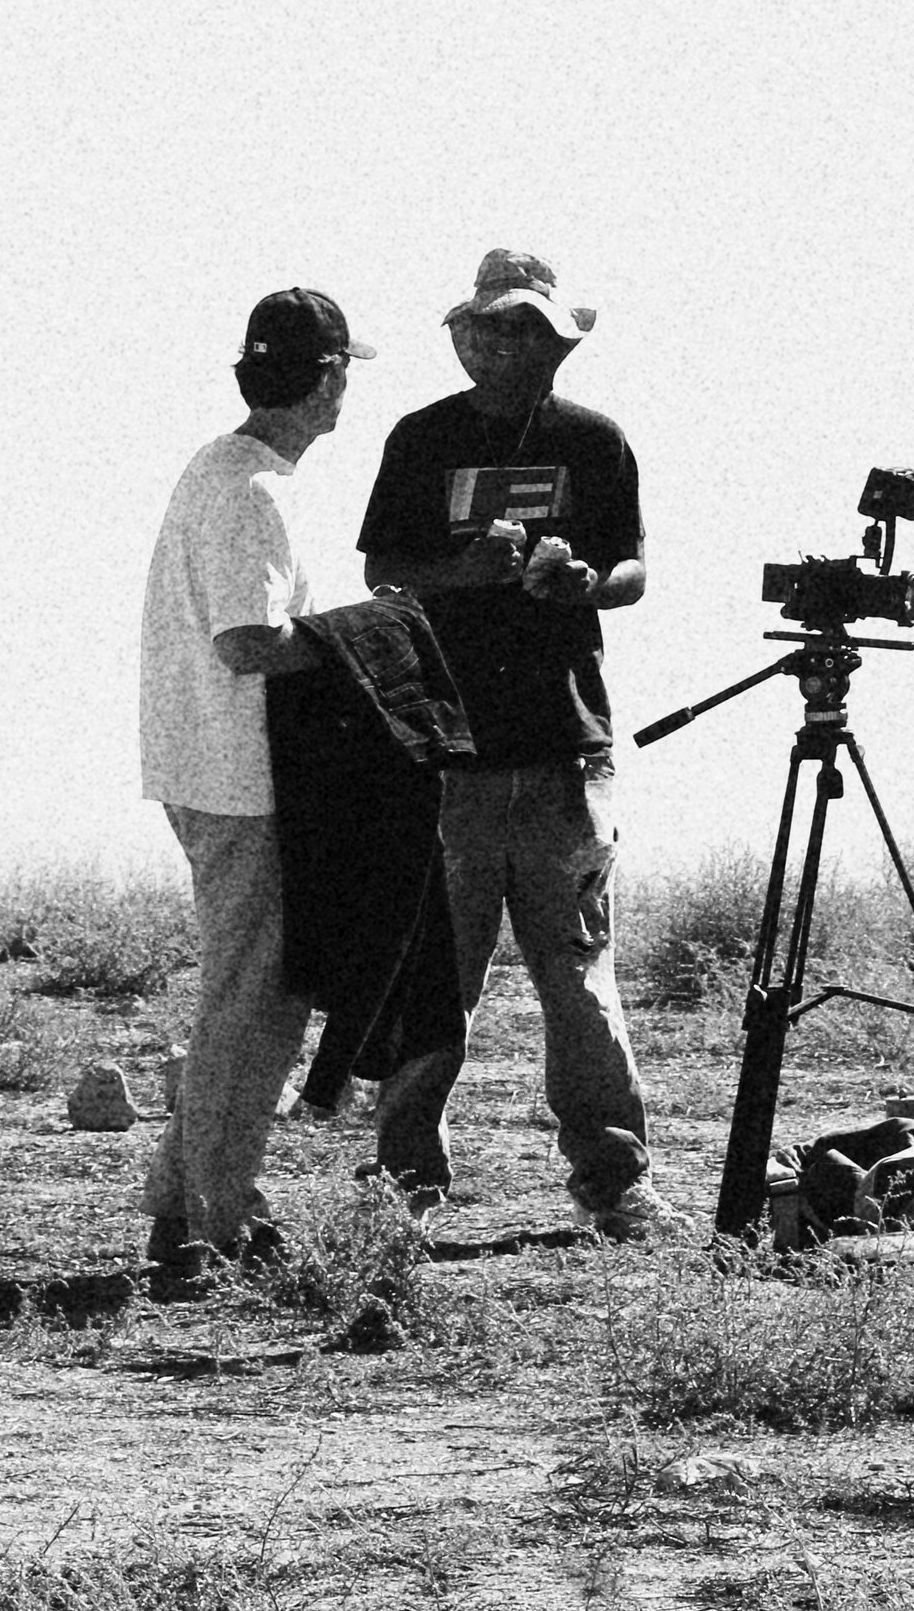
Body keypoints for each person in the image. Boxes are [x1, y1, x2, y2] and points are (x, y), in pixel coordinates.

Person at [356, 248, 676, 1235]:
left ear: (553, 343)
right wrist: (463, 572)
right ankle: (404, 1180)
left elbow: (632, 569)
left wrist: (582, 582)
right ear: (465, 340)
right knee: (430, 980)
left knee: (576, 976)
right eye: (492, 329)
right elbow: (384, 571)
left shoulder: (596, 442)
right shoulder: (420, 439)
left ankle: (614, 1178)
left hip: (559, 744)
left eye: (525, 330)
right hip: (443, 748)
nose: (507, 345)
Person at [138, 286, 371, 1280]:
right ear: (325, 378)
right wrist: (365, 639)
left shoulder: (223, 472)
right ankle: (212, 1224)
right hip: (243, 780)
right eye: (341, 373)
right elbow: (247, 641)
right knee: (253, 1006)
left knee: (245, 997)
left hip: (210, 769)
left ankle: (188, 1204)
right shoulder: (252, 490)